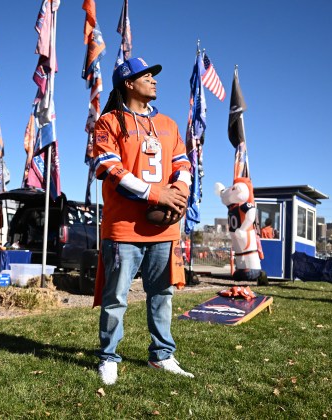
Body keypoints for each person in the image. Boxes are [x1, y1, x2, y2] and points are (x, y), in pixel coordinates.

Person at [92, 57, 194, 385]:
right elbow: (111, 169)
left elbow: (183, 164)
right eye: (146, 76)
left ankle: (162, 355)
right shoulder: (109, 122)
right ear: (128, 83)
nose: (154, 80)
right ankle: (109, 357)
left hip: (164, 225)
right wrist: (156, 195)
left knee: (162, 292)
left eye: (153, 75)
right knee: (116, 296)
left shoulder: (168, 123)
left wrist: (178, 194)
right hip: (124, 226)